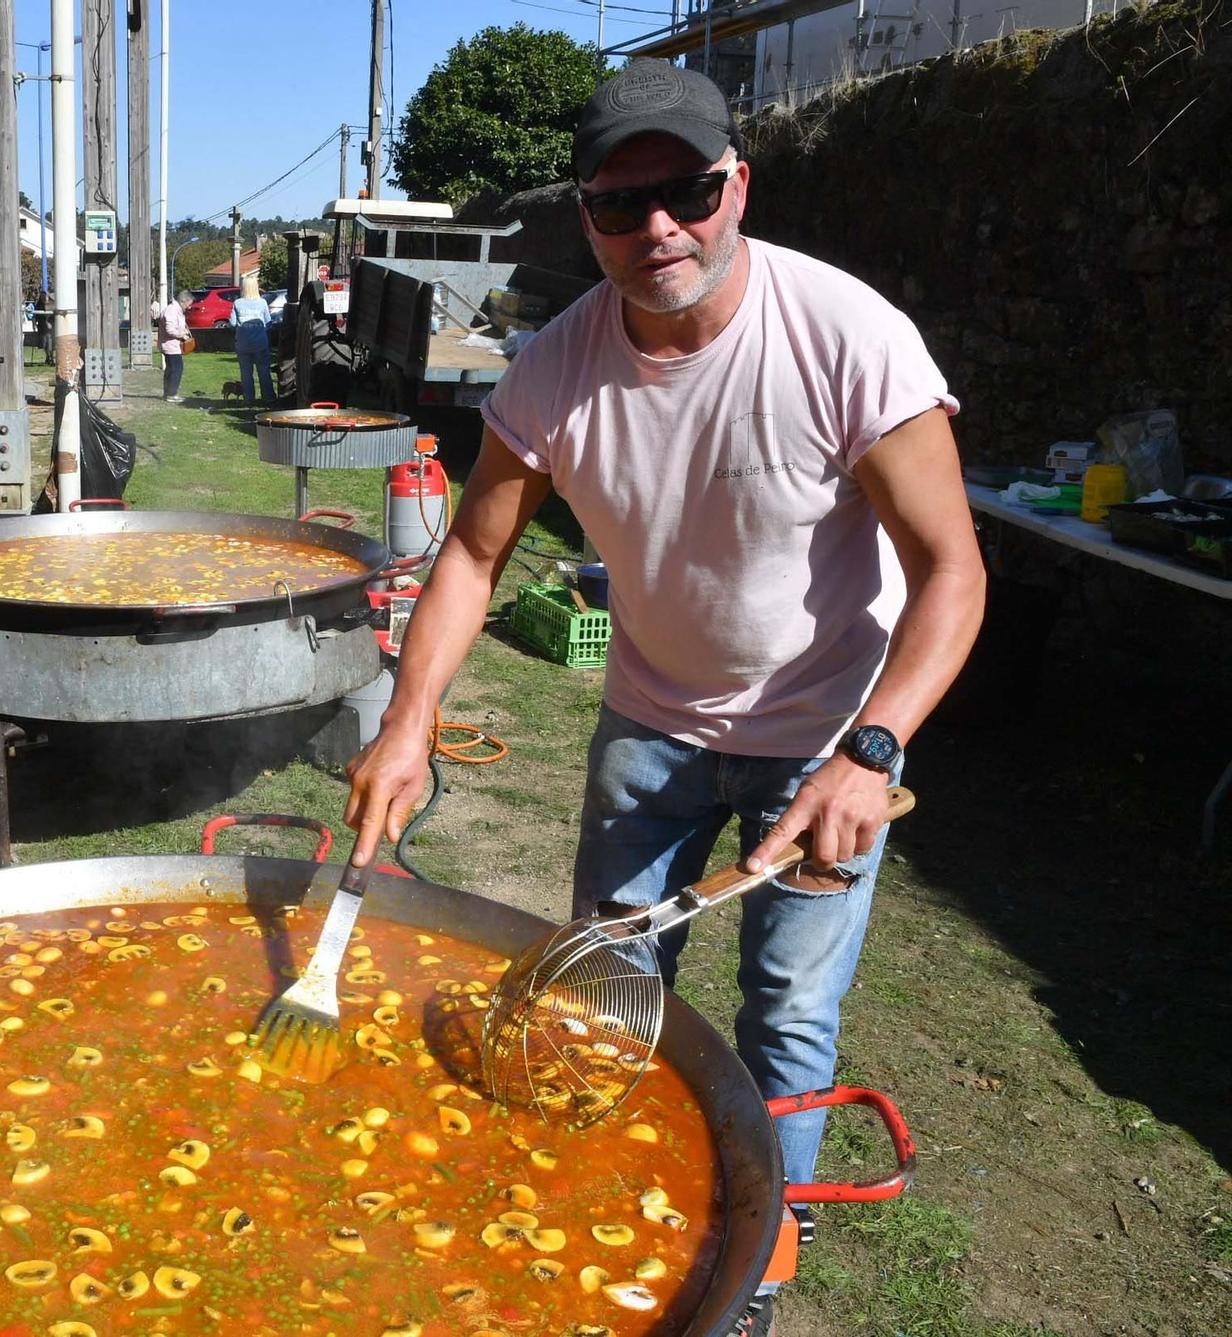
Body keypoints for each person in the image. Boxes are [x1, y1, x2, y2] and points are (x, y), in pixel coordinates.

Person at [343, 63, 984, 1327]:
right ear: (582, 216)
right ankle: (603, 1193)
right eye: (616, 204)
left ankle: (757, 1257)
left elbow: (950, 570)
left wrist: (871, 750)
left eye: (685, 192)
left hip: (825, 735)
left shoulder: (845, 335)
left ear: (734, 184)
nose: (656, 228)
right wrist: (406, 723)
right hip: (648, 725)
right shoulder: (552, 369)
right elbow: (472, 552)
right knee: (606, 980)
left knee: (786, 1006)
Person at [230, 273, 273, 404]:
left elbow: (232, 323)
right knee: (264, 371)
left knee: (246, 373)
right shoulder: (262, 302)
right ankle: (268, 397)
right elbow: (268, 322)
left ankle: (249, 398)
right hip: (260, 343)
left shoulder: (237, 303)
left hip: (243, 344)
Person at [154, 290, 189, 402]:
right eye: (188, 304)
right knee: (176, 369)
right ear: (183, 301)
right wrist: (182, 334)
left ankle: (168, 393)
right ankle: (171, 394)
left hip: (171, 345)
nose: (189, 307)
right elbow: (170, 330)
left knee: (171, 369)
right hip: (170, 345)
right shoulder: (172, 311)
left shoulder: (174, 310)